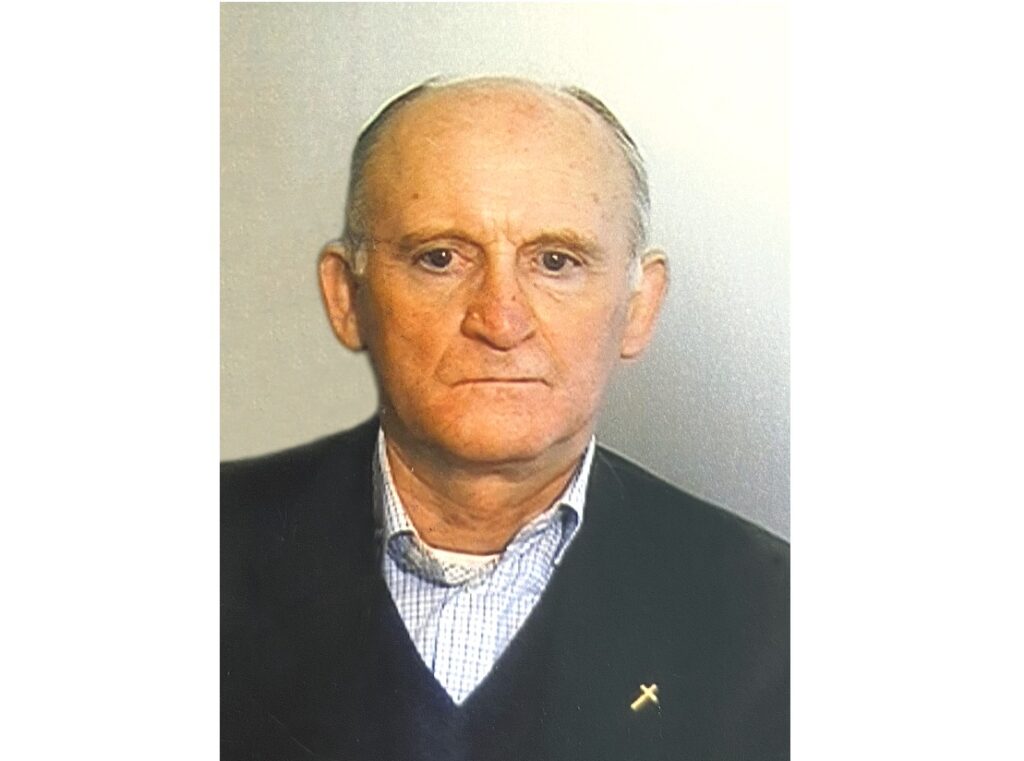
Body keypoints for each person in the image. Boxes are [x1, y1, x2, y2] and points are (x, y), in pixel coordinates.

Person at [221, 75, 789, 761]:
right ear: (347, 297)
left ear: (639, 306)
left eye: (555, 261)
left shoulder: (774, 618)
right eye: (440, 258)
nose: (500, 319)